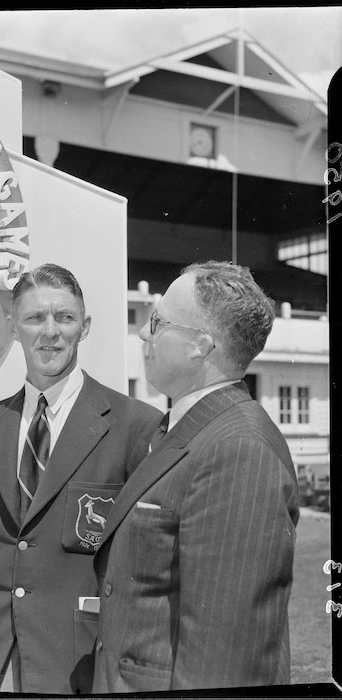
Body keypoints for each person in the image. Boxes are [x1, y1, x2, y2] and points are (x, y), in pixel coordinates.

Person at [0, 263, 163, 694]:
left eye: (64, 318)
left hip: (77, 665)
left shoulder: (135, 426)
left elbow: (146, 574)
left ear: (84, 327)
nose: (50, 332)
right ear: (12, 328)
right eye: (34, 318)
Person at [92, 260, 300, 693]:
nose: (144, 334)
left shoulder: (239, 451)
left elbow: (226, 662)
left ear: (199, 347)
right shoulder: (183, 429)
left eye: (157, 322)